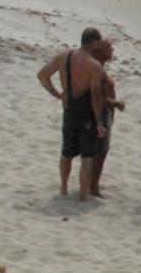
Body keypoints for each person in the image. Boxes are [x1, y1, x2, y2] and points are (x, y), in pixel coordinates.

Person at [36, 28, 109, 201]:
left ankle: (63, 187)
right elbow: (95, 97)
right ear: (93, 42)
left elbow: (42, 75)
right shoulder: (94, 66)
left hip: (68, 109)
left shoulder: (64, 57)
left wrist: (57, 94)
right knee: (87, 156)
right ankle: (83, 194)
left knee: (67, 152)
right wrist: (99, 122)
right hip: (86, 113)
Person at [88, 37, 126, 198]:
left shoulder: (98, 68)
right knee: (100, 152)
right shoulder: (98, 71)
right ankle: (93, 186)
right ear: (101, 51)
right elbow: (96, 96)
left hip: (106, 113)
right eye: (109, 48)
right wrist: (115, 103)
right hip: (103, 113)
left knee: (99, 151)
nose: (112, 50)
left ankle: (92, 183)